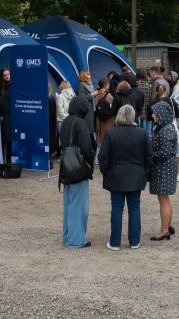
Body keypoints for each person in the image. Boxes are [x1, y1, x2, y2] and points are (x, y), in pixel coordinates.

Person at [98, 105, 152, 250]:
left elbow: (102, 157)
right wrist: (144, 174)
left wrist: (107, 173)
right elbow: (149, 157)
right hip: (136, 176)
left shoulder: (111, 133)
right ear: (133, 116)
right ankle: (134, 241)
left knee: (117, 208)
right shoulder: (142, 133)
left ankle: (115, 242)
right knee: (134, 208)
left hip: (116, 177)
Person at [60, 96, 96, 248]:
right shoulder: (80, 122)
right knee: (79, 205)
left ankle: (67, 235)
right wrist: (90, 160)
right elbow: (86, 147)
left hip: (66, 165)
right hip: (78, 167)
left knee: (69, 202)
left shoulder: (66, 121)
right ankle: (76, 240)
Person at [148, 101, 178, 241]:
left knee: (163, 198)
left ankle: (164, 230)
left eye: (155, 113)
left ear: (162, 114)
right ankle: (168, 226)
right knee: (165, 197)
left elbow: (164, 152)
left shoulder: (166, 129)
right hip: (166, 165)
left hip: (164, 166)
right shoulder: (166, 127)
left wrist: (150, 157)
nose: (153, 115)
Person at [0, 68, 12, 163]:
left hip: (10, 116)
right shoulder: (0, 87)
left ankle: (10, 158)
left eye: (8, 74)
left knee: (10, 138)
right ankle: (6, 158)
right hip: (3, 116)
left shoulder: (13, 86)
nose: (7, 76)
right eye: (5, 75)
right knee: (5, 138)